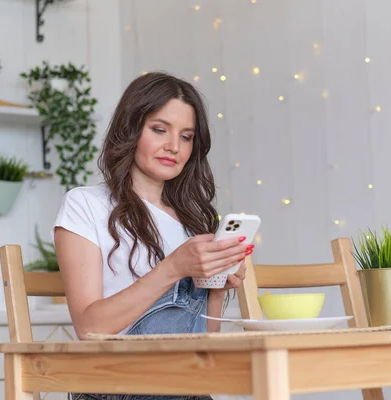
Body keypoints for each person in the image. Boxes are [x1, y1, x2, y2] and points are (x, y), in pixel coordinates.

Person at [52, 71, 255, 400]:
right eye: (159, 129)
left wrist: (218, 284)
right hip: (118, 386)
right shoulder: (85, 205)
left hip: (184, 385)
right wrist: (174, 267)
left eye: (186, 137)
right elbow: (90, 330)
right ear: (130, 130)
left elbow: (204, 344)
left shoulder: (193, 221)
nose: (173, 147)